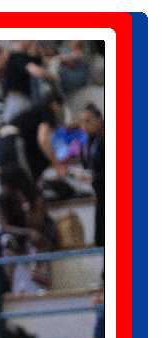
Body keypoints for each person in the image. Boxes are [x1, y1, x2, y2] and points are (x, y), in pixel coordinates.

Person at [76, 103, 104, 245]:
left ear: (100, 120)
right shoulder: (87, 143)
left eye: (88, 120)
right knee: (100, 239)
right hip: (99, 194)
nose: (85, 125)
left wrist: (94, 176)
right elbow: (87, 167)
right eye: (82, 122)